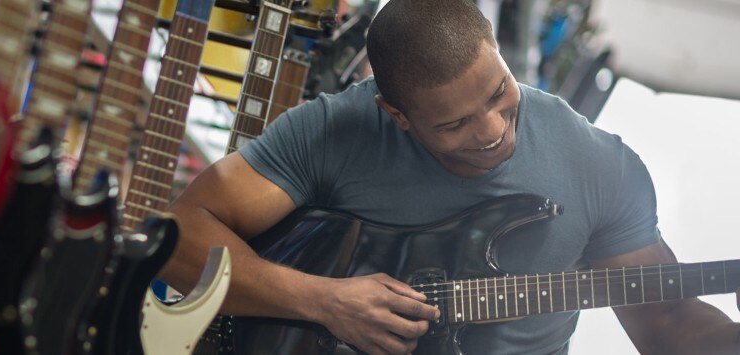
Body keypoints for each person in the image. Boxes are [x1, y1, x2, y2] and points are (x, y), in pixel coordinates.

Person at [160, 0, 740, 353]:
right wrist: (322, 301)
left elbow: (669, 324)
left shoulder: (600, 165)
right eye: (456, 123)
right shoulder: (335, 130)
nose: (492, 131)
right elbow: (181, 234)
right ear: (397, 116)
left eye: (500, 93)